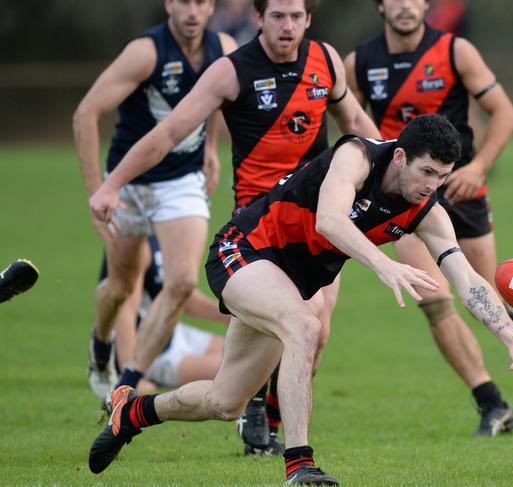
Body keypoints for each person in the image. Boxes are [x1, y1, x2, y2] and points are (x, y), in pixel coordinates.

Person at [87, 114, 513, 485]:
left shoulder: (426, 210)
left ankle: (133, 413)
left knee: (224, 402)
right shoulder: (357, 156)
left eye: (442, 177)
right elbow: (330, 220)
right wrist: (384, 264)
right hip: (243, 250)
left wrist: (509, 335)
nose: (432, 185)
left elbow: (465, 277)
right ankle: (299, 465)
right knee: (304, 326)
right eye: (426, 172)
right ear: (402, 155)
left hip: (283, 280)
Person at [89, 0, 381, 455]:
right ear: (259, 19)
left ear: (309, 20)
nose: (287, 26)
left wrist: (397, 157)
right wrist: (112, 184)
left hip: (319, 219)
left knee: (317, 334)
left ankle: (262, 416)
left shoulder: (325, 61)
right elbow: (169, 133)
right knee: (298, 326)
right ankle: (268, 431)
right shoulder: (231, 71)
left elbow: (358, 127)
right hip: (259, 228)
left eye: (296, 17)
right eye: (277, 16)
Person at [344, 0, 513, 436]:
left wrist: (478, 169)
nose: (405, 6)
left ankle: (510, 337)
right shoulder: (360, 62)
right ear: (381, 5)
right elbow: (348, 120)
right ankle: (491, 403)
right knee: (436, 302)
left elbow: (505, 112)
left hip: (461, 189)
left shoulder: (455, 51)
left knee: (485, 292)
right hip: (404, 196)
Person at [73, 0, 237, 403]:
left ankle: (130, 378)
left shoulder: (225, 48)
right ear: (169, 4)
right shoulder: (146, 52)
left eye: (201, 2)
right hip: (128, 183)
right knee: (120, 286)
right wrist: (98, 189)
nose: (192, 11)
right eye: (184, 1)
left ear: (211, 6)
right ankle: (101, 344)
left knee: (181, 281)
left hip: (180, 182)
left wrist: (211, 149)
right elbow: (85, 113)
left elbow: (217, 94)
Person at [88, 236, 228, 398]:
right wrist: (131, 376)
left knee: (243, 351)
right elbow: (125, 313)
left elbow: (183, 295)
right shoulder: (138, 241)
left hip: (172, 332)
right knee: (237, 368)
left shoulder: (166, 231)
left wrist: (228, 314)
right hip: (149, 349)